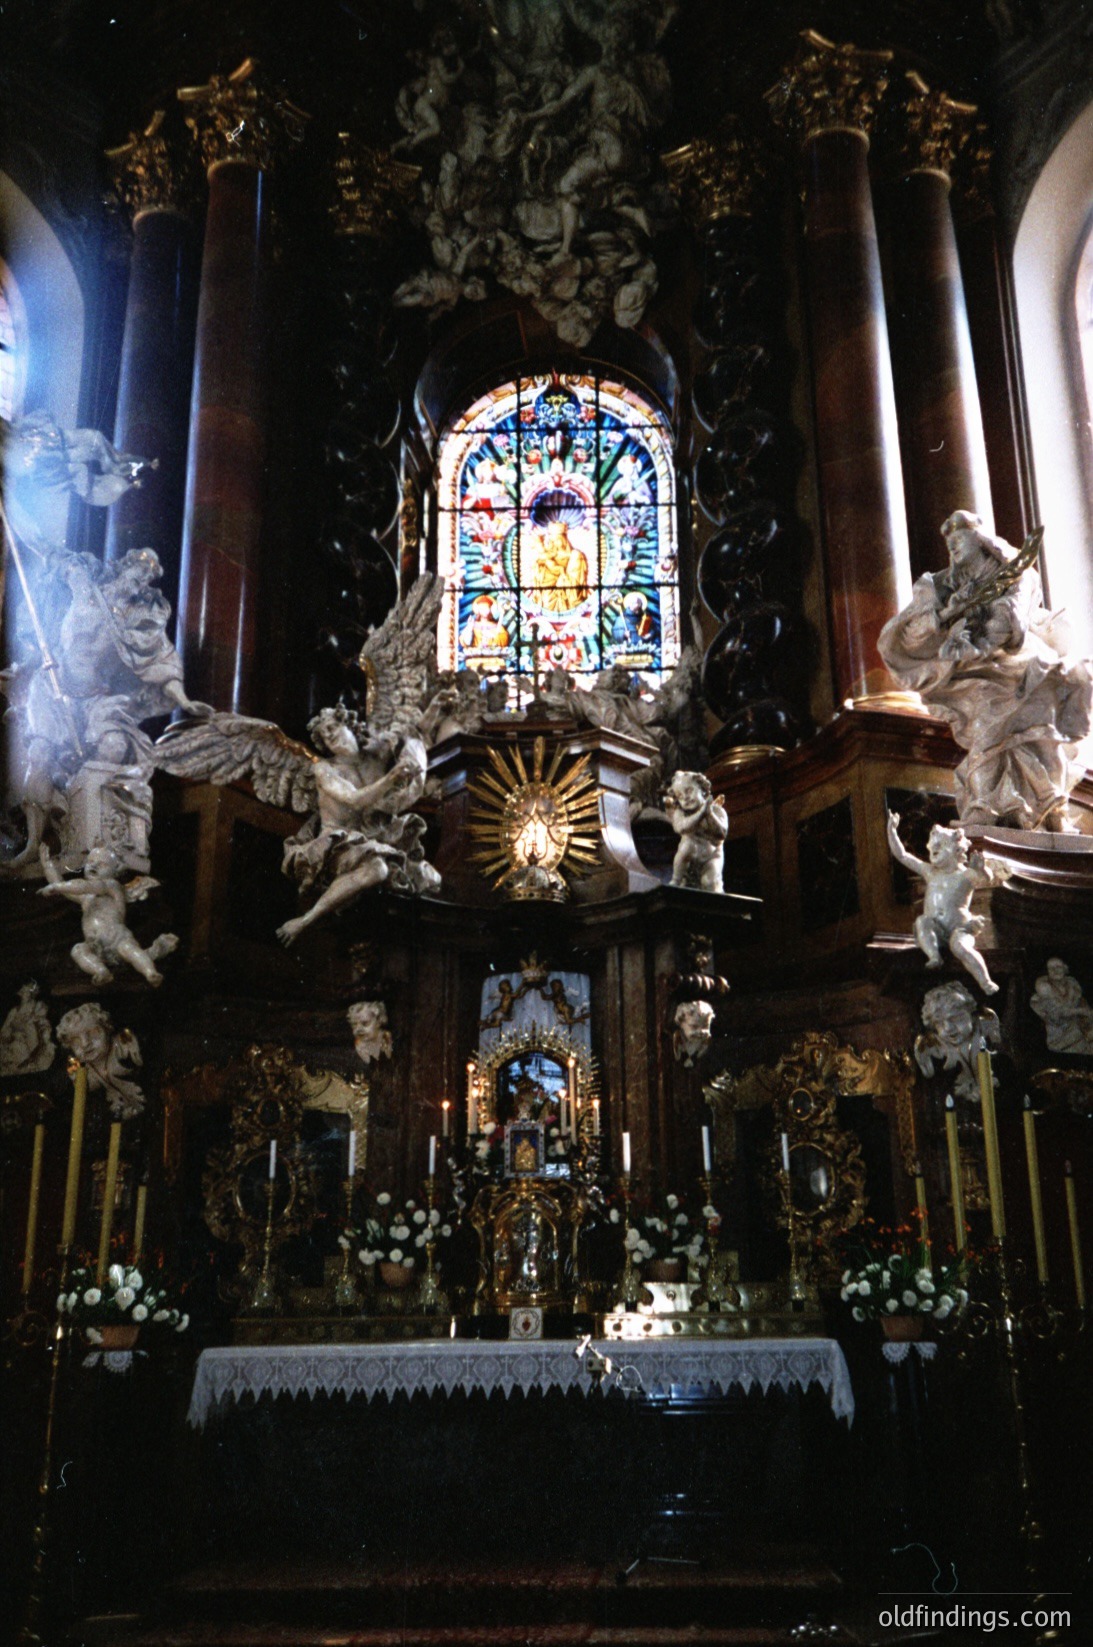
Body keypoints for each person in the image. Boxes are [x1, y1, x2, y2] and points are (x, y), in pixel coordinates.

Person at [878, 512, 1093, 831]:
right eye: (948, 544)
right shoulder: (941, 586)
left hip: (1024, 662)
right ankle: (987, 803)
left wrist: (1006, 619)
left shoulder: (1017, 573)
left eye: (958, 540)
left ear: (980, 540)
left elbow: (1019, 622)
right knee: (987, 730)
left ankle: (1050, 807)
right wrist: (946, 615)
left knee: (1043, 733)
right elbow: (909, 635)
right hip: (976, 672)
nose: (952, 548)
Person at [885, 812, 1010, 996]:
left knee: (961, 948)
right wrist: (891, 831)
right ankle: (934, 956)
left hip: (960, 928)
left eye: (939, 846)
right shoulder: (930, 872)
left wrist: (981, 869)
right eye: (931, 847)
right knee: (922, 922)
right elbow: (903, 856)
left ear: (957, 850)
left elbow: (986, 879)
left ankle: (985, 981)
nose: (933, 850)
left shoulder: (965, 875)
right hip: (936, 929)